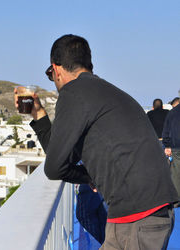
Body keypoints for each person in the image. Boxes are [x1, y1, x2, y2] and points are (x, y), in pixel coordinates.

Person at [15, 34, 178, 249]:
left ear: (56, 69)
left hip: (139, 216)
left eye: (50, 75)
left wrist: (87, 177)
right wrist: (39, 115)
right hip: (141, 212)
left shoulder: (72, 92)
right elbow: (62, 154)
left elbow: (54, 168)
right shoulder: (107, 92)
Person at [163, 97, 180, 206]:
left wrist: (167, 145)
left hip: (176, 147)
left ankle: (176, 201)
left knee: (176, 175)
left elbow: (166, 130)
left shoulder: (173, 113)